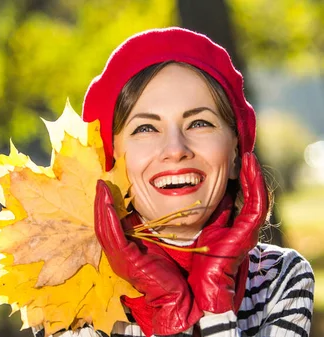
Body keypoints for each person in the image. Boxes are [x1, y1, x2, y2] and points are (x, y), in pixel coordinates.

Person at [34, 27, 314, 337]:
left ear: (236, 155)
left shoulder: (280, 277)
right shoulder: (68, 294)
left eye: (199, 123)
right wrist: (169, 307)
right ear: (109, 161)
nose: (176, 150)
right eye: (145, 129)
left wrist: (215, 296)